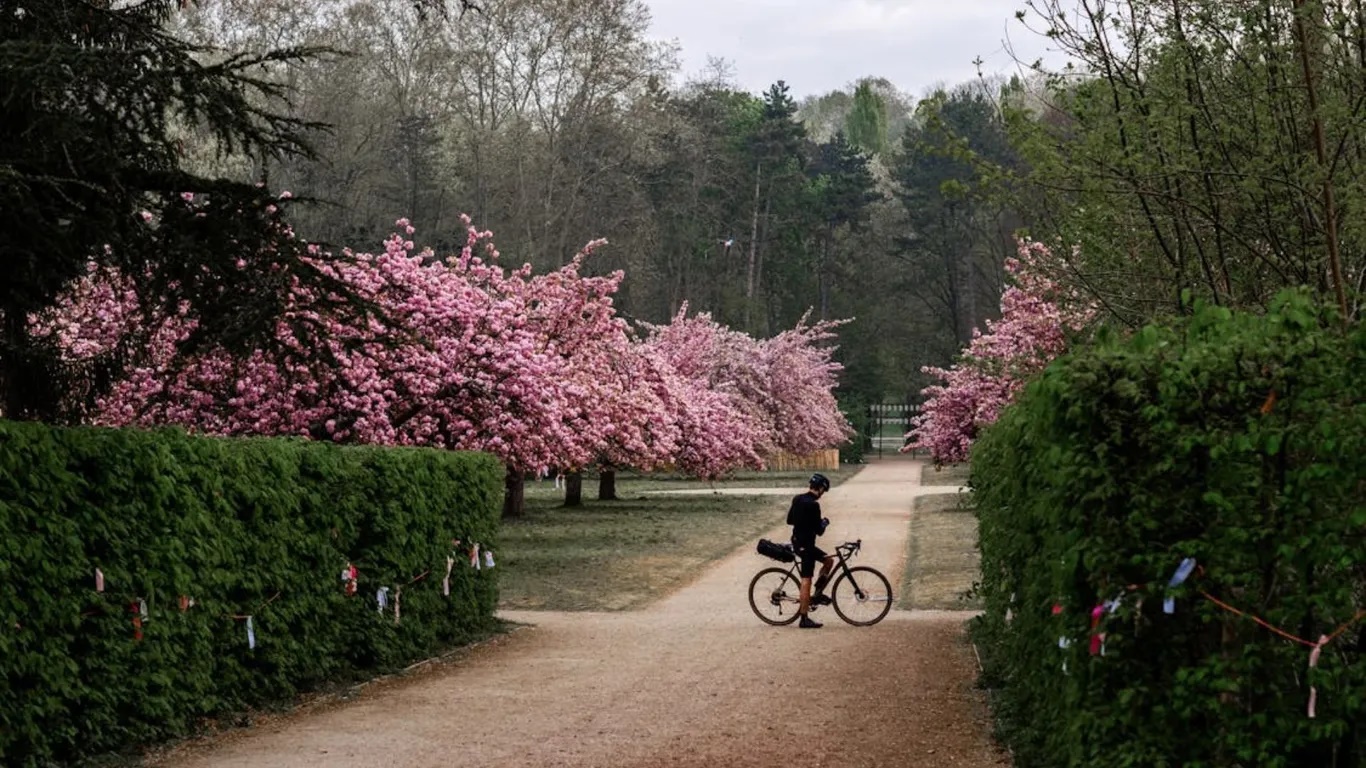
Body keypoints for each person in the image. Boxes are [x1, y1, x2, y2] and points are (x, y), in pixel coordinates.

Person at [787, 472, 835, 629]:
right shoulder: (814, 505)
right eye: (823, 491)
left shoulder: (798, 499)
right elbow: (819, 531)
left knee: (829, 560)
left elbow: (789, 520)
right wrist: (824, 522)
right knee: (806, 579)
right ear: (820, 488)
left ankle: (817, 594)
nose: (822, 494)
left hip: (798, 542)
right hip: (805, 546)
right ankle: (804, 617)